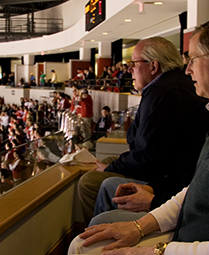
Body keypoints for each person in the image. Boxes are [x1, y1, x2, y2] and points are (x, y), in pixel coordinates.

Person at [68, 20, 209, 255]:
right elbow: (195, 187)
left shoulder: (166, 93)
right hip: (175, 202)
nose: (188, 69)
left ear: (153, 66)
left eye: (193, 58)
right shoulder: (164, 89)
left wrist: (153, 245)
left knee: (87, 231)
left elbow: (149, 157)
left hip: (177, 214)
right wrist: (140, 225)